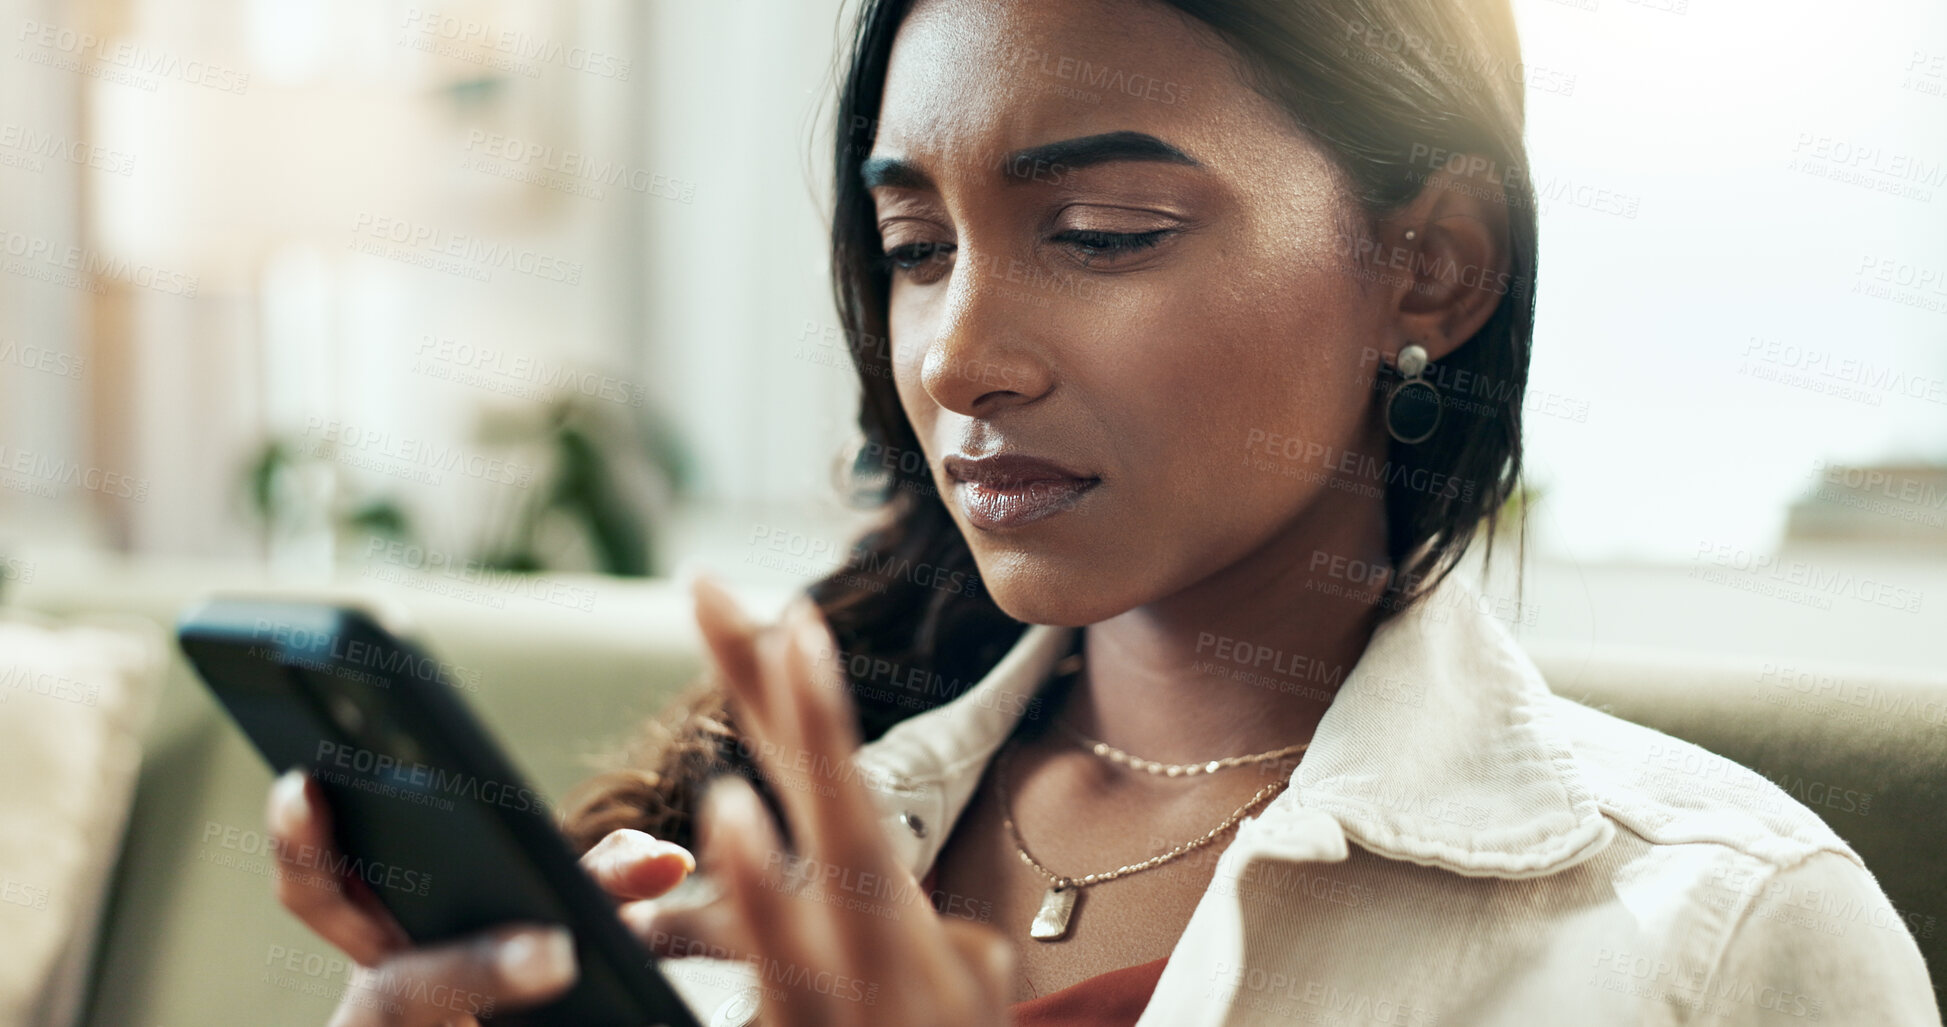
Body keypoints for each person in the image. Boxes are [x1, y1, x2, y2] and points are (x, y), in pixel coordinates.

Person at [266, 0, 1942, 1024]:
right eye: (916, 251)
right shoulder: (759, 852)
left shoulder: (1721, 939)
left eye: (1108, 230)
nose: (962, 358)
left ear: (1428, 265)